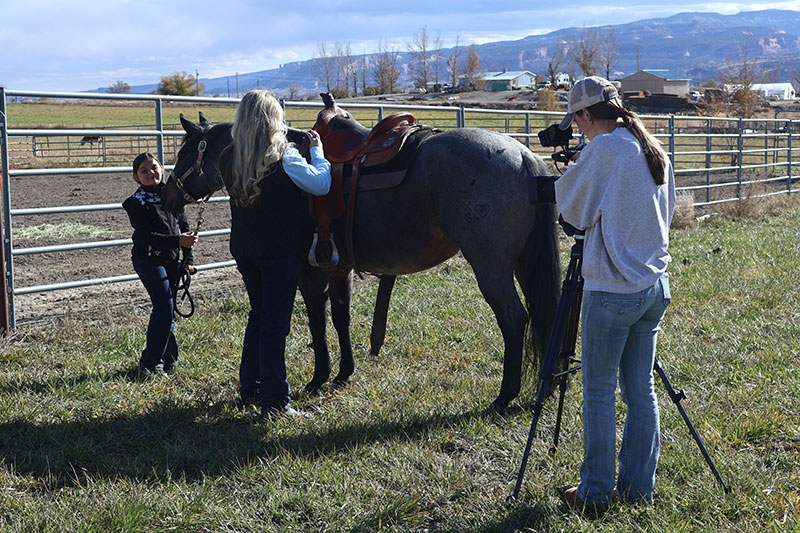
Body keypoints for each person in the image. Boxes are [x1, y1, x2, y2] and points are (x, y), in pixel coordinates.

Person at [553, 76, 676, 507]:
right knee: (640, 389)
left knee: (600, 390)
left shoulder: (604, 149)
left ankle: (595, 492)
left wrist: (569, 169)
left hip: (612, 290)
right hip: (654, 284)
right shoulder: (651, 146)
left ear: (587, 114)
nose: (578, 129)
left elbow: (570, 209)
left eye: (578, 120)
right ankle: (639, 490)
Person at [221, 90, 331, 419]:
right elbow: (321, 184)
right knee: (274, 324)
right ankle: (275, 402)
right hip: (280, 251)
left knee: (259, 316)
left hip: (245, 248)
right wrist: (319, 152)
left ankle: (250, 387)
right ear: (274, 119)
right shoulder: (285, 155)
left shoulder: (229, 156)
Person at [123, 152, 198, 376]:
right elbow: (146, 236)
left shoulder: (172, 197)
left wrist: (188, 260)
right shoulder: (136, 203)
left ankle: (168, 359)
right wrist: (178, 241)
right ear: (136, 177)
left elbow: (184, 228)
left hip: (171, 260)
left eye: (153, 168)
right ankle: (150, 362)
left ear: (162, 169)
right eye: (144, 171)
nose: (150, 173)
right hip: (148, 259)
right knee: (164, 307)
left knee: (168, 309)